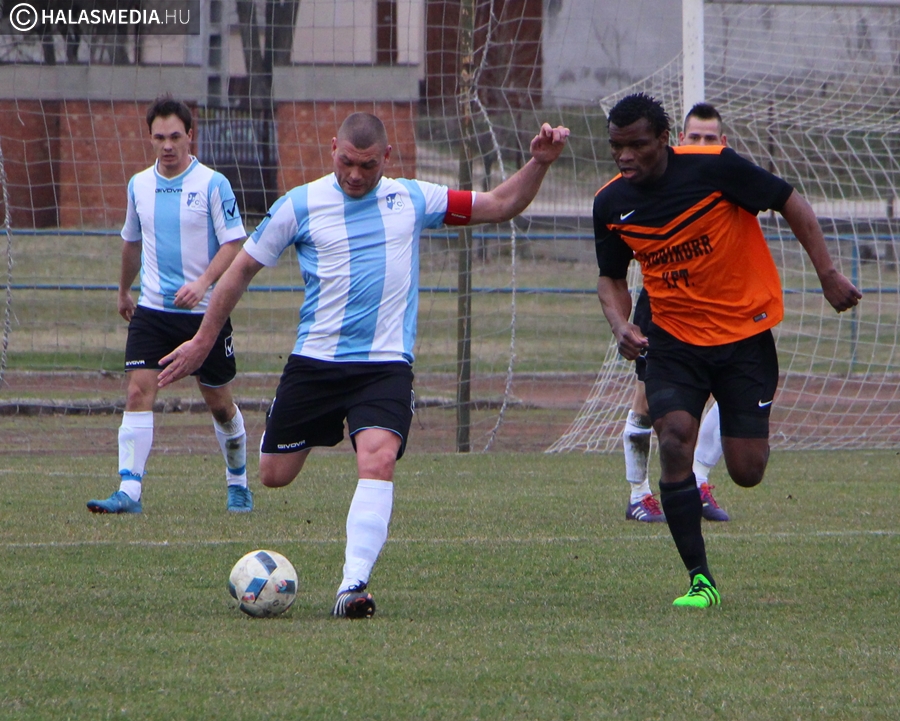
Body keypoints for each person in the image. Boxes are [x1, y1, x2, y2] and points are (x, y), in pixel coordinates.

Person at [156, 112, 570, 618]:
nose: (355, 174)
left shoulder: (412, 199)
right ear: (333, 149)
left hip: (384, 365)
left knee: (378, 460)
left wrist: (539, 163)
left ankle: (352, 587)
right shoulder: (299, 204)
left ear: (386, 158)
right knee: (273, 475)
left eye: (368, 166)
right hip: (315, 363)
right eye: (347, 162)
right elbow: (240, 270)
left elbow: (500, 204)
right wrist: (203, 341)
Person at [594, 93, 860, 607]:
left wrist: (827, 274)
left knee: (747, 470)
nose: (625, 156)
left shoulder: (715, 168)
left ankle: (744, 431)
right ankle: (701, 580)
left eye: (637, 145)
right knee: (674, 438)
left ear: (664, 140)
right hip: (673, 340)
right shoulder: (610, 203)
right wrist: (620, 323)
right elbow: (610, 277)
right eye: (616, 147)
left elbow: (789, 201)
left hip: (743, 336)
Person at [87, 96, 252, 515]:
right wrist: (124, 291)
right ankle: (129, 491)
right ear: (150, 138)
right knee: (137, 392)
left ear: (190, 136)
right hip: (153, 312)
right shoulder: (138, 185)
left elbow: (234, 243)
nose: (167, 145)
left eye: (175, 136)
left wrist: (203, 283)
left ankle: (238, 483)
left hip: (205, 315)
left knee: (220, 405)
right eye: (159, 137)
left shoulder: (213, 184)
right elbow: (131, 242)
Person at [624, 102, 729, 524]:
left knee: (727, 390)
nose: (702, 144)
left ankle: (698, 481)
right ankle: (638, 494)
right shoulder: (657, 180)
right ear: (680, 140)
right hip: (663, 303)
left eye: (710, 138)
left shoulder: (731, 181)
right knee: (648, 399)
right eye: (695, 137)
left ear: (723, 143)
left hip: (717, 304)